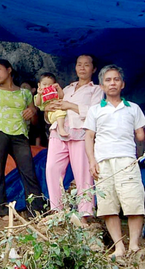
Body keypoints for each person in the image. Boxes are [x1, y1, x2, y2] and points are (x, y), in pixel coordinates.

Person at [84, 64, 145, 258]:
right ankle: (119, 247)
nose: (112, 83)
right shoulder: (95, 110)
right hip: (103, 162)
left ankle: (134, 245)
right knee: (107, 205)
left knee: (134, 201)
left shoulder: (133, 108)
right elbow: (88, 137)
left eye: (116, 79)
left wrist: (139, 137)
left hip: (127, 160)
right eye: (108, 80)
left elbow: (141, 136)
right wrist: (91, 161)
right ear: (102, 86)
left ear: (123, 84)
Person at [0, 58, 45, 217]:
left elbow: (35, 122)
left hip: (20, 134)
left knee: (28, 170)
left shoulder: (25, 93)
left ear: (9, 69)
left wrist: (33, 112)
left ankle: (36, 209)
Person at [44, 54, 104, 221]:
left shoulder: (97, 89)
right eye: (79, 64)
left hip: (80, 133)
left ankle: (85, 213)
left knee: (83, 172)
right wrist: (50, 108)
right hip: (58, 130)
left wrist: (69, 105)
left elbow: (95, 111)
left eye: (86, 65)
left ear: (94, 69)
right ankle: (57, 210)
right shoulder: (68, 88)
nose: (82, 68)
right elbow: (54, 109)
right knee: (52, 169)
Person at [35, 73, 68, 138]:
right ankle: (61, 129)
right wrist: (39, 94)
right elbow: (37, 103)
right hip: (50, 113)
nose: (47, 86)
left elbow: (61, 97)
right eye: (44, 84)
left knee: (62, 111)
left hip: (58, 110)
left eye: (50, 85)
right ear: (39, 85)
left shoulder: (54, 93)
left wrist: (58, 88)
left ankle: (61, 128)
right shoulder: (40, 95)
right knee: (60, 112)